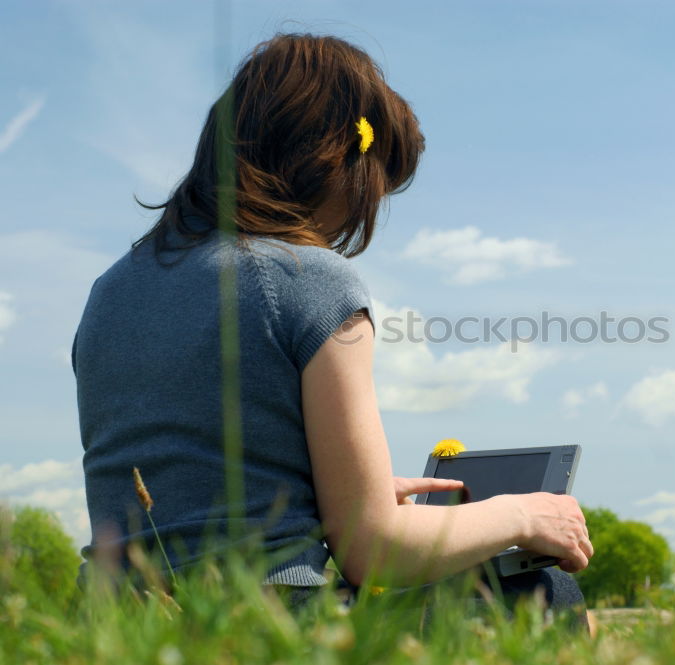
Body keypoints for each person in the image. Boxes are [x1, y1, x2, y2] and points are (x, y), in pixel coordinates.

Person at [73, 33, 592, 623]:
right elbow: (375, 549)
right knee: (543, 591)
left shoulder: (113, 287)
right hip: (262, 617)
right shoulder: (309, 277)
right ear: (342, 162)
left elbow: (194, 477)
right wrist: (527, 515)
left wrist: (324, 499)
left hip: (110, 612)